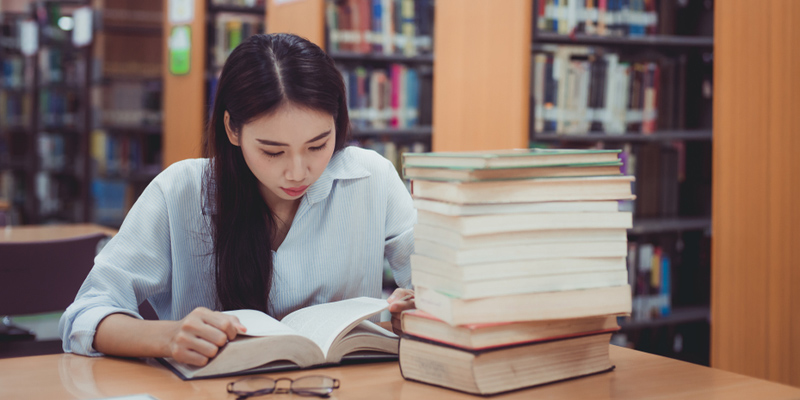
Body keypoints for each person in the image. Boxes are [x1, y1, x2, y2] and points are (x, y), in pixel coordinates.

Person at [59, 33, 416, 367]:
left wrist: (418, 310)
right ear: (232, 129)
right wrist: (166, 337)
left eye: (317, 145)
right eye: (273, 151)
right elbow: (85, 315)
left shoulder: (372, 177)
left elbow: (443, 288)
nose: (297, 172)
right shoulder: (181, 191)